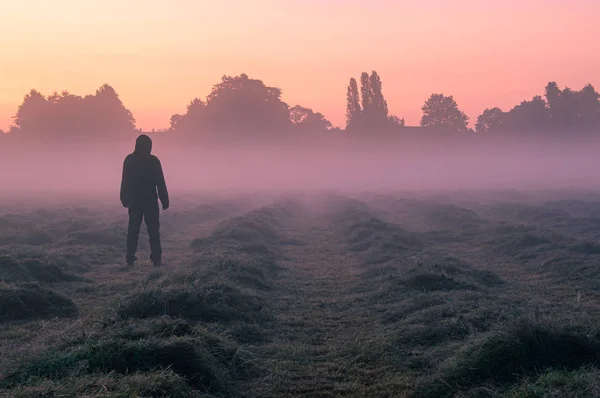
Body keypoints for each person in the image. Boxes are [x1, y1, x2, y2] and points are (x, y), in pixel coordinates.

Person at [120, 134, 169, 266]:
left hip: (135, 201)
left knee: (133, 230)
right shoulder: (153, 161)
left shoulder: (130, 160)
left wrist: (124, 197)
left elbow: (125, 181)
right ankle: (156, 258)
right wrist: (165, 200)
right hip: (150, 201)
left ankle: (130, 257)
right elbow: (160, 181)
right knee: (153, 230)